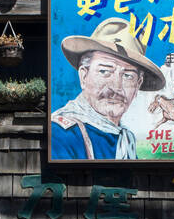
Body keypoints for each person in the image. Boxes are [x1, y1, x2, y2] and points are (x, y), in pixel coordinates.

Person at [51, 17, 166, 160]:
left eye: (128, 76)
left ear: (138, 84)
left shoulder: (126, 139)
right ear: (83, 76)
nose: (116, 87)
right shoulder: (60, 135)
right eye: (105, 71)